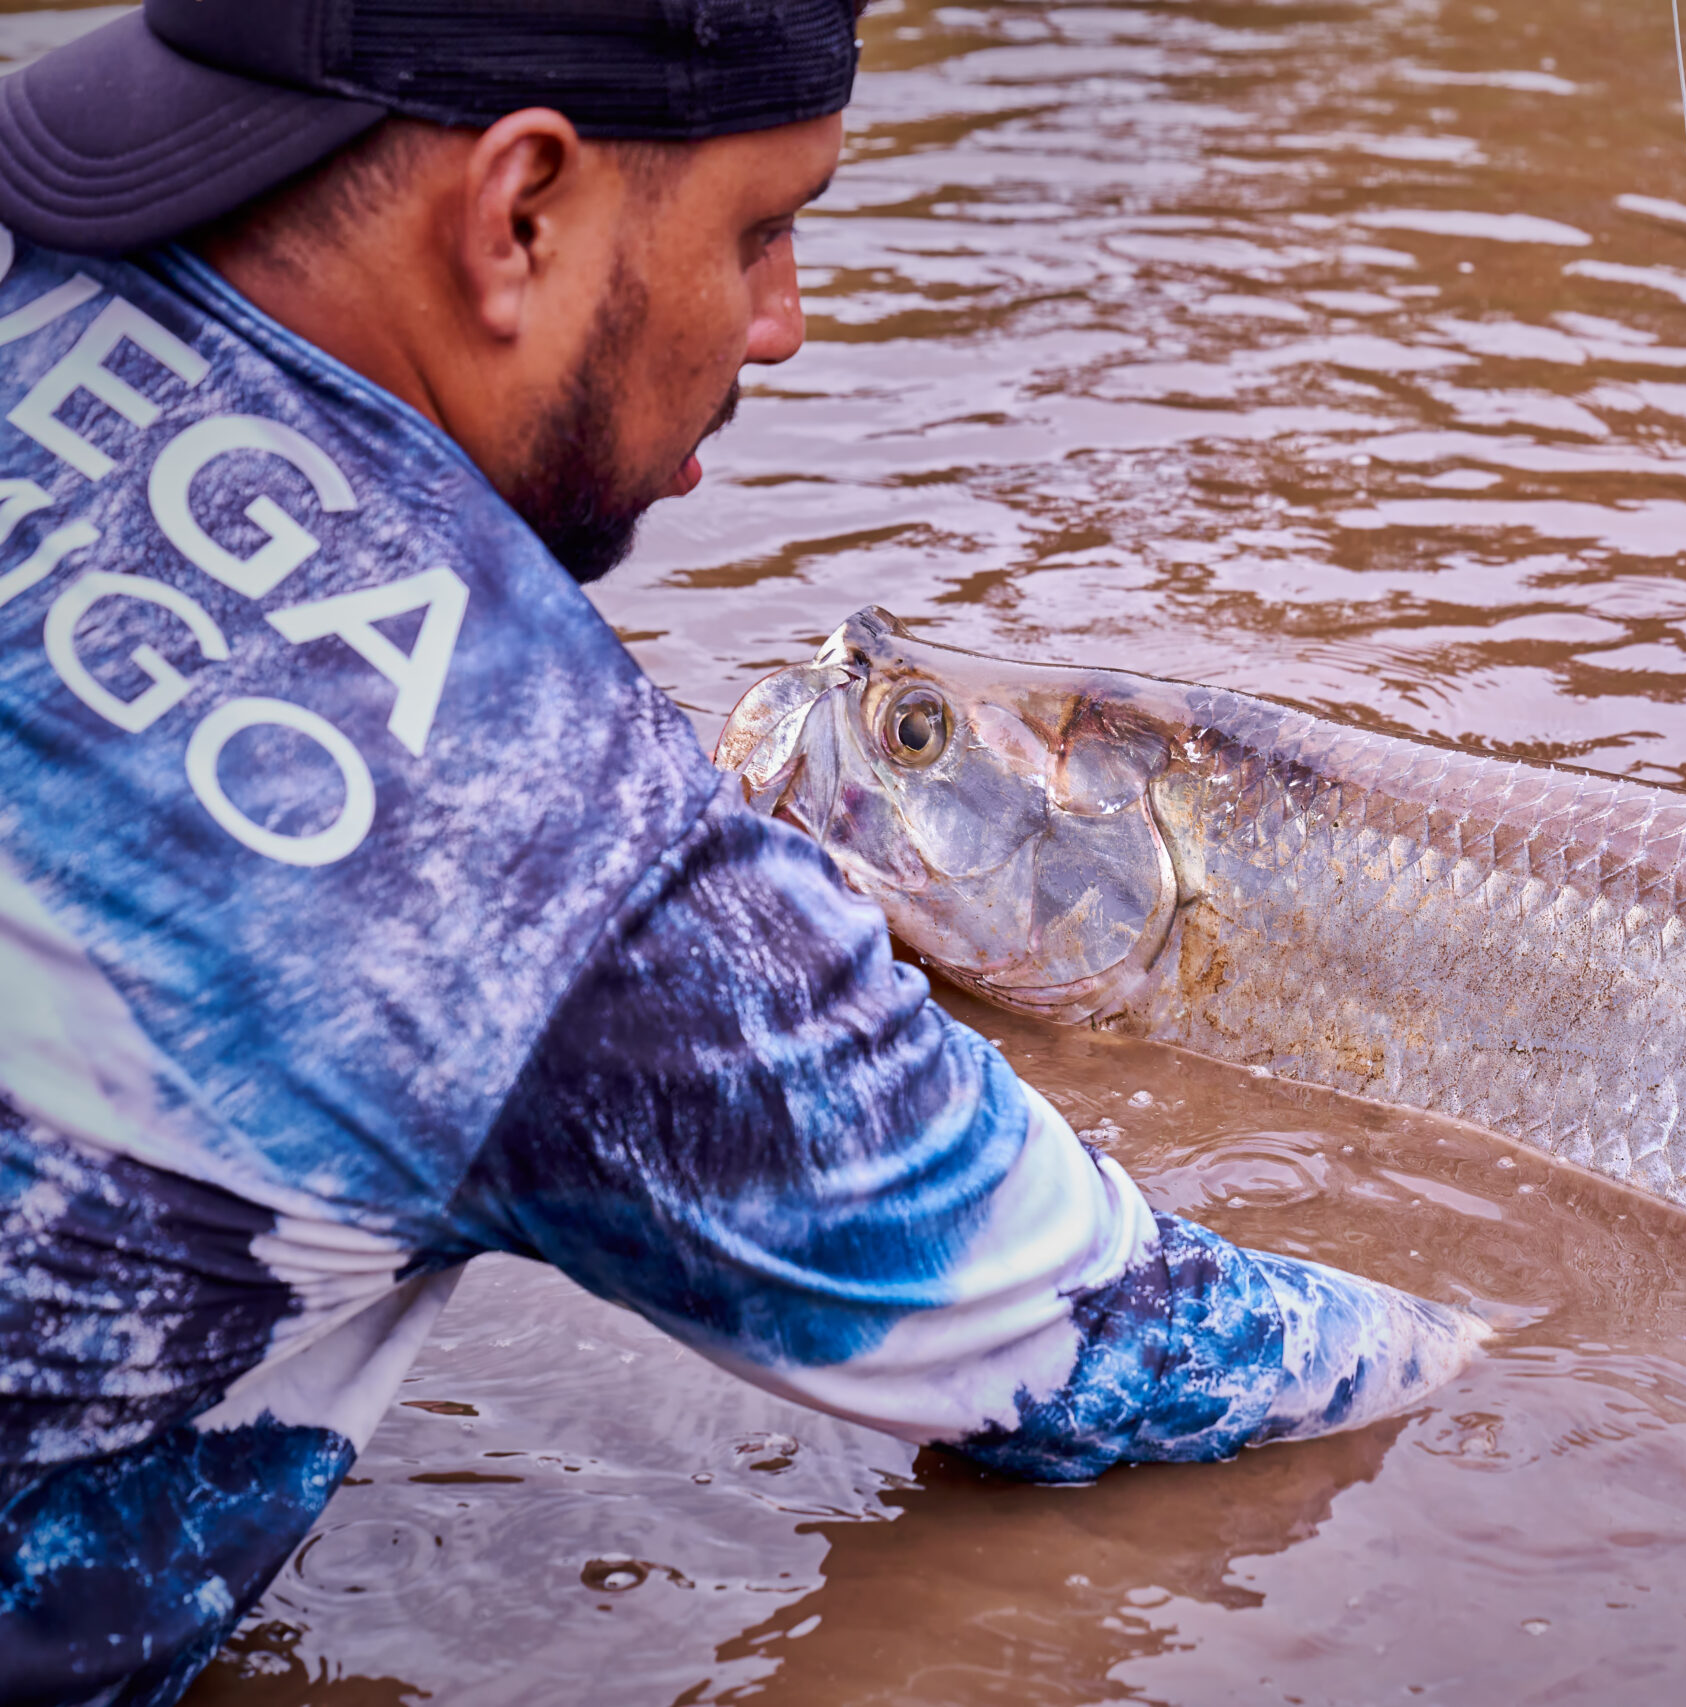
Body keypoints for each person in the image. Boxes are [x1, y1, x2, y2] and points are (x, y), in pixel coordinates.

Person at [0, 3, 1479, 1700]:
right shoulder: (546, 842)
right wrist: (1534, 1355)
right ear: (521, 214)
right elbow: (1145, 1355)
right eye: (763, 228)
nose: (784, 323)